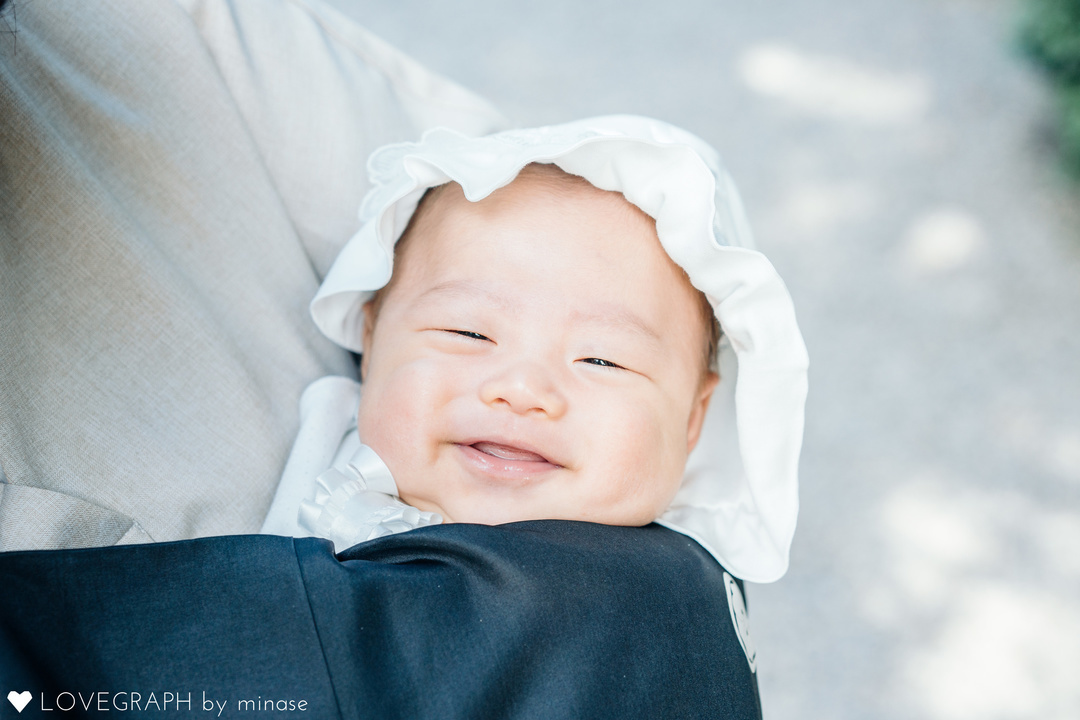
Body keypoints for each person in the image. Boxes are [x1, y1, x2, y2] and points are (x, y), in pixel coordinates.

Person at [263, 114, 809, 589]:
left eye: (602, 360)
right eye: (468, 334)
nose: (523, 390)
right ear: (371, 340)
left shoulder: (677, 594)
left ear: (692, 419)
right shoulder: (309, 457)